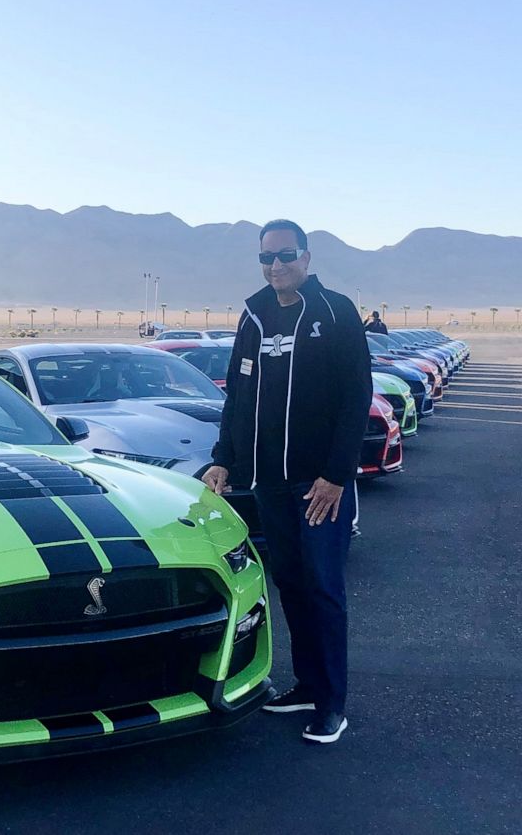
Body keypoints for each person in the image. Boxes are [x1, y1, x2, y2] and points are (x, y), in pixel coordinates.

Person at [202, 219, 371, 745]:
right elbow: (238, 396)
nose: (275, 265)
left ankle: (332, 704)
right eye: (266, 257)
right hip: (270, 483)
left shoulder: (335, 312)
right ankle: (306, 684)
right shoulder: (252, 317)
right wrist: (224, 458)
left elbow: (355, 398)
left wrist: (336, 475)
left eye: (285, 254)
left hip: (320, 487)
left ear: (307, 256)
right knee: (292, 586)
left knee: (324, 590)